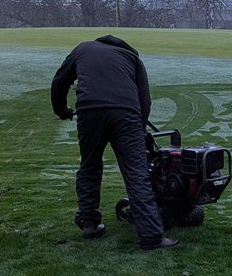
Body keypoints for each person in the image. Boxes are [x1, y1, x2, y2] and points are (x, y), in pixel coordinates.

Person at [50, 35, 176, 250]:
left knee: (89, 166)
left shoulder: (83, 49)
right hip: (126, 115)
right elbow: (144, 99)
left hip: (89, 112)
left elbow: (60, 81)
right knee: (136, 173)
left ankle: (89, 223)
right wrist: (139, 127)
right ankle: (151, 237)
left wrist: (61, 110)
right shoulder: (132, 58)